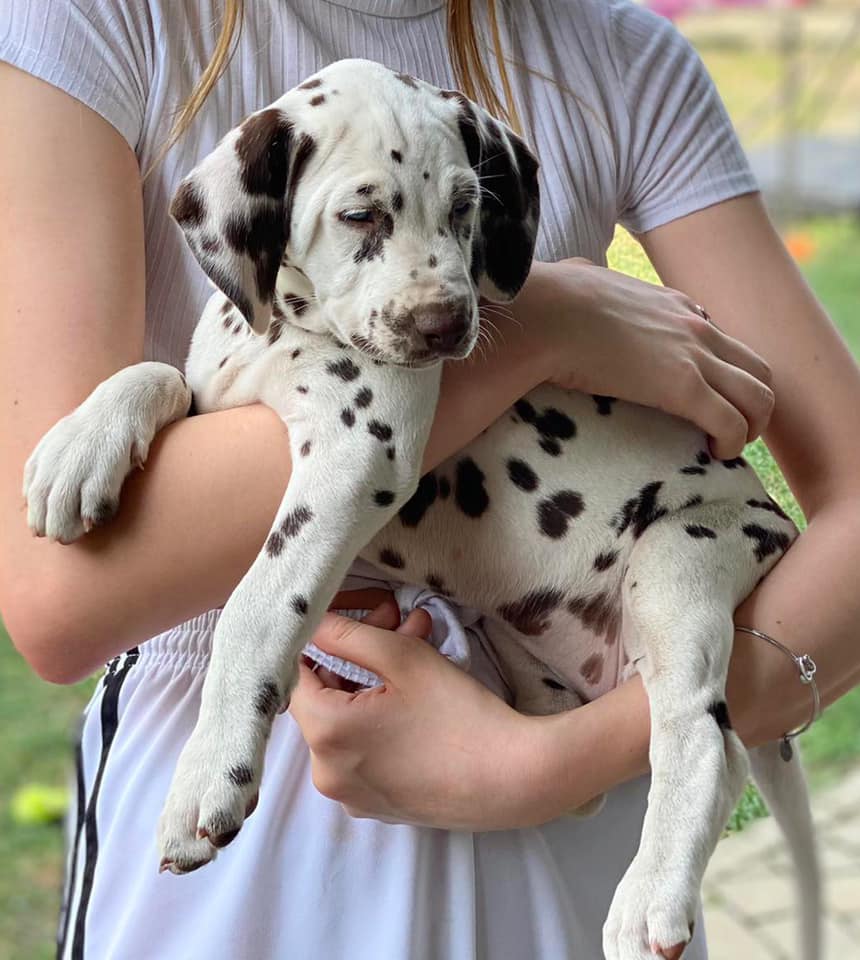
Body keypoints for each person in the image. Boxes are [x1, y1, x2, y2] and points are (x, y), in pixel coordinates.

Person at [1, 1, 858, 957]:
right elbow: (57, 595)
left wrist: (543, 766)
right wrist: (547, 329)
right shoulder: (103, 21)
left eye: (460, 214)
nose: (442, 295)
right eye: (362, 217)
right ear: (249, 231)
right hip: (223, 819)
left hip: (568, 777)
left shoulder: (619, 58)